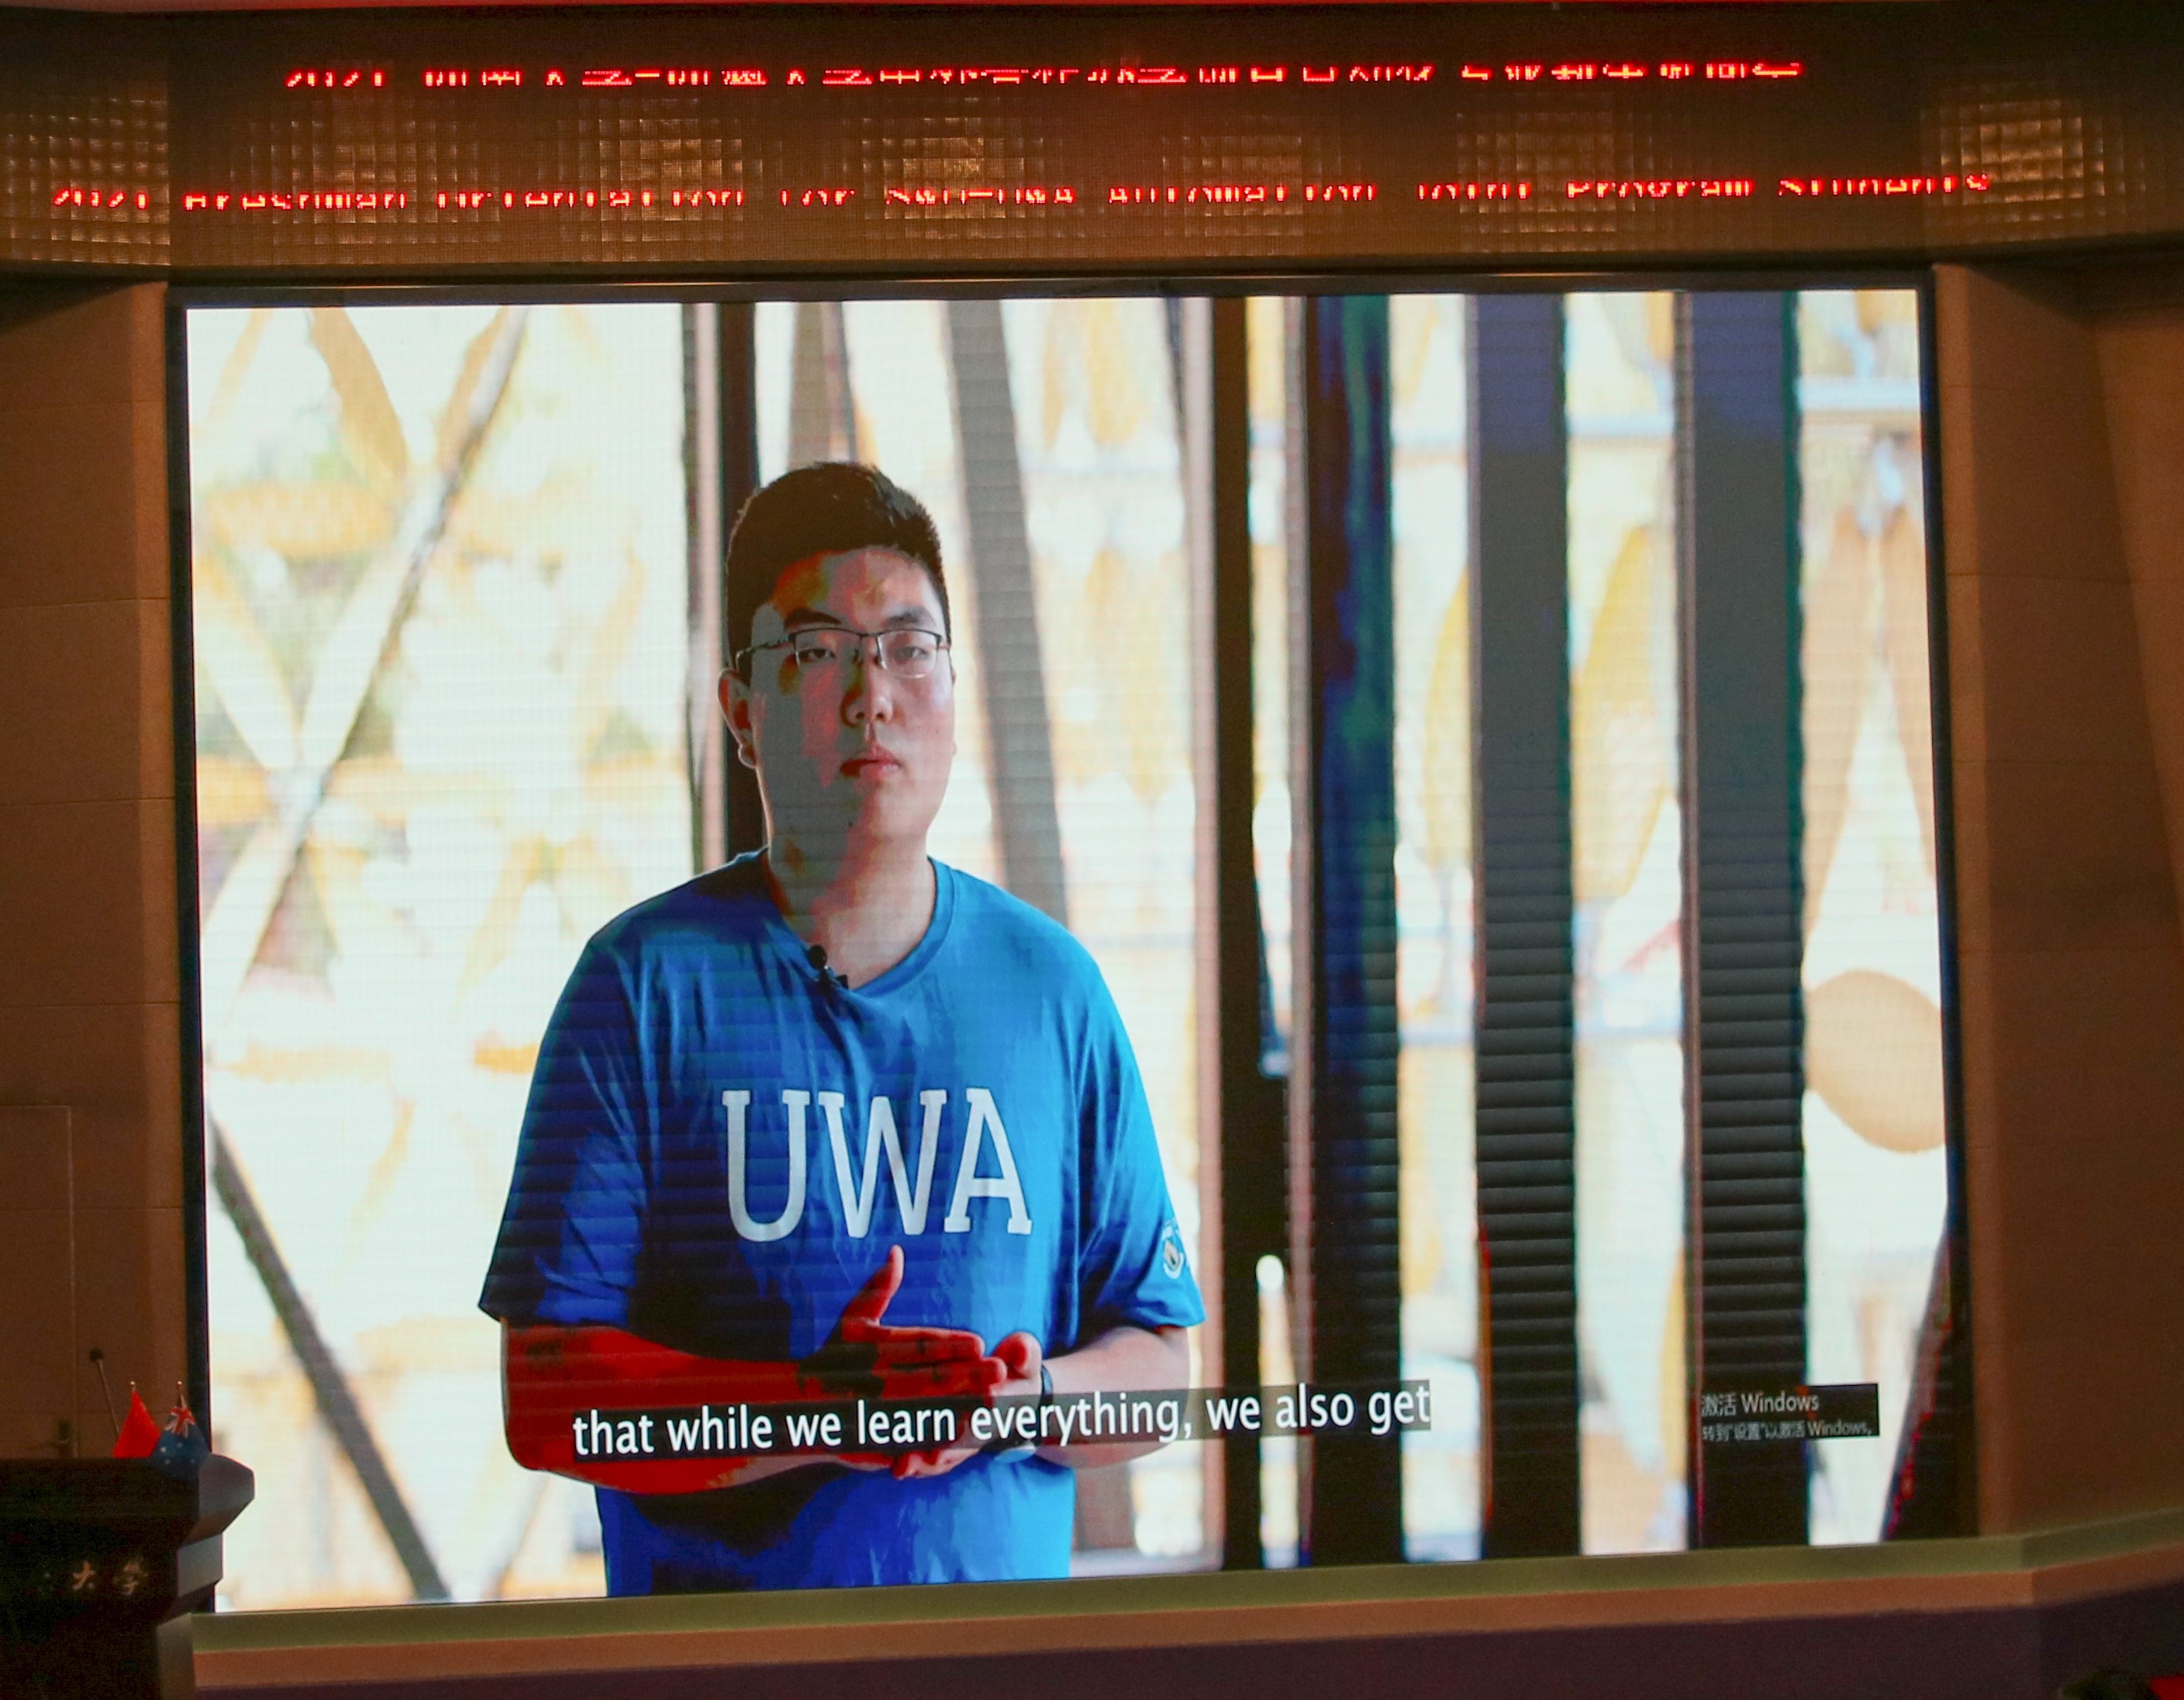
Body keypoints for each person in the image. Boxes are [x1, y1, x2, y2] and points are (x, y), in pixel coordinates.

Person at [480, 461, 1202, 1594]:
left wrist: (1027, 1400)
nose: (872, 694)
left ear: (953, 682)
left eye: (909, 648)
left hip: (996, 1663)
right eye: (818, 652)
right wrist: (815, 1409)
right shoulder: (640, 988)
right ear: (740, 710)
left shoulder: (1052, 989)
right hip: (720, 1665)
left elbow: (1159, 1363)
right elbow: (545, 1396)